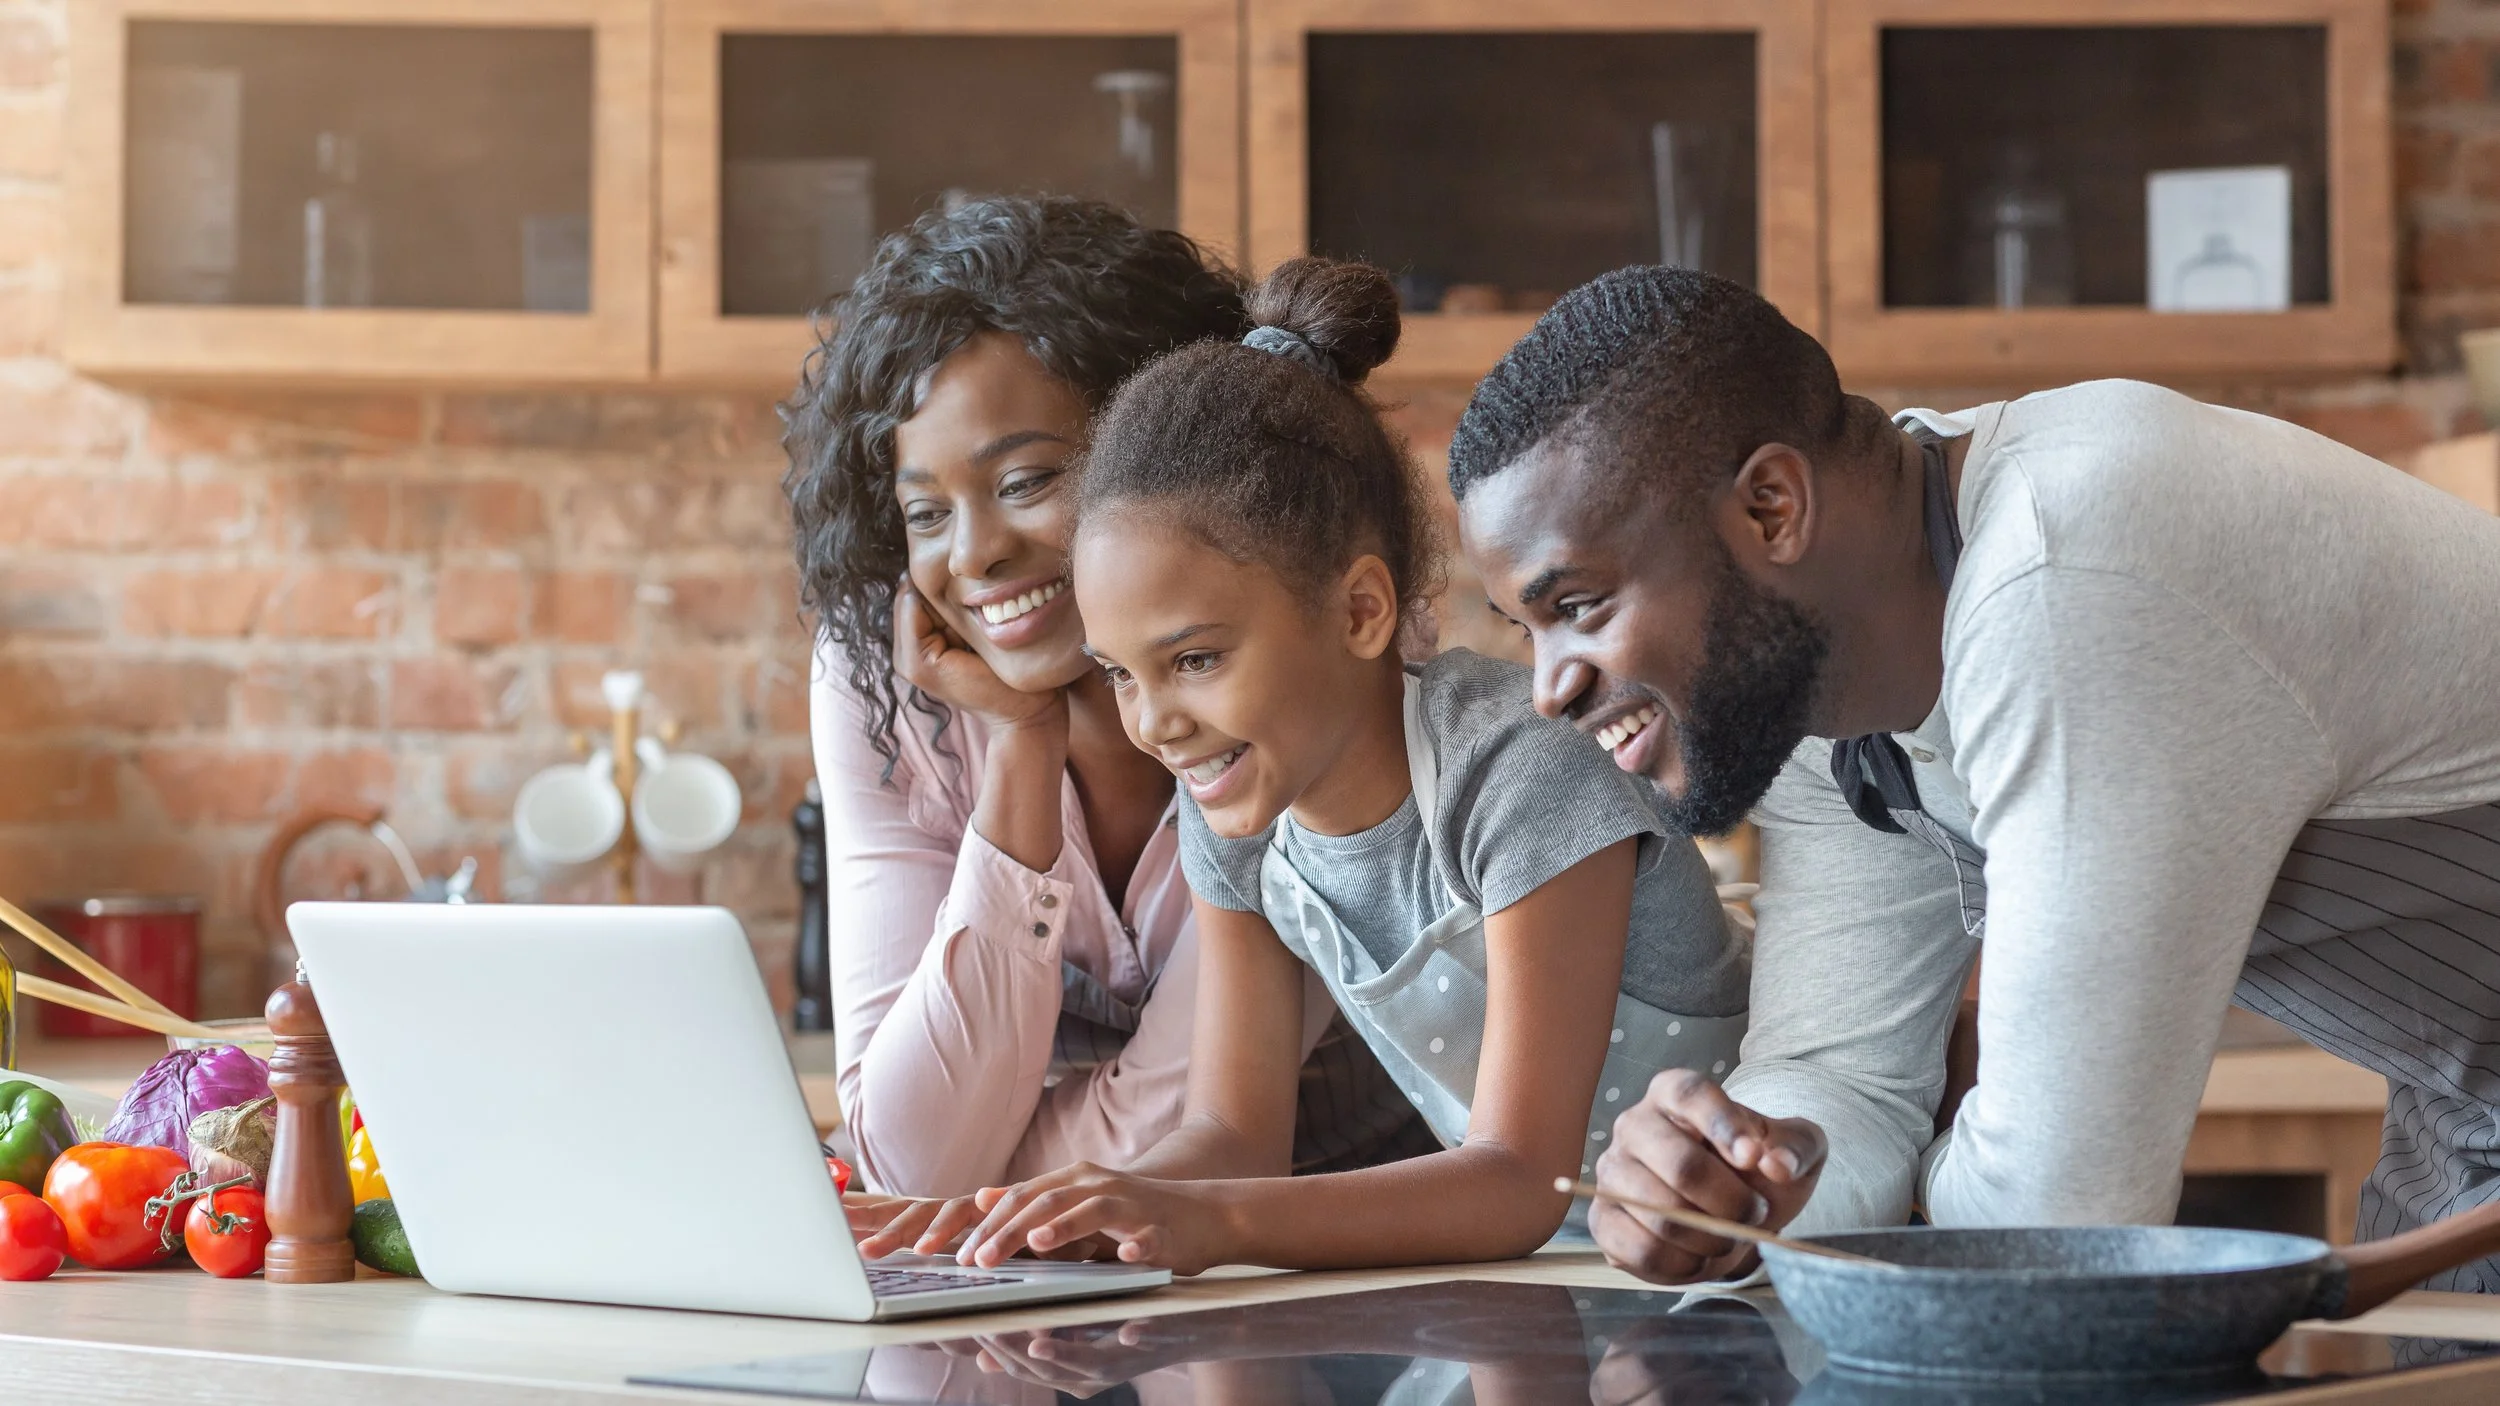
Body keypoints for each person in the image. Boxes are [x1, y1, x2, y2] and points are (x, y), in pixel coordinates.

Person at [1445, 265, 2500, 1288]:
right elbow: (1848, 1077)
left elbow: (2059, 1216)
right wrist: (1744, 1184)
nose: (1547, 688)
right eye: (1524, 627)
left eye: (1576, 603)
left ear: (1770, 507)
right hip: (2463, 1118)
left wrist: (1932, 1162)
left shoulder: (2070, 581)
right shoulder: (1823, 677)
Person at [880, 257, 1748, 1274]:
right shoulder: (1236, 813)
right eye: (1120, 671)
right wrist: (1062, 1214)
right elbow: (1233, 1135)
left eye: (1195, 658)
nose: (1155, 722)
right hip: (1563, 1276)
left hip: (1751, 1258)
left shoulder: (1518, 772)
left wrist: (1216, 1222)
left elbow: (1517, 1175)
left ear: (1361, 611)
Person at [787, 197, 1432, 1202]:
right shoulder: (892, 680)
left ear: (1170, 448)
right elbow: (905, 1159)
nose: (973, 553)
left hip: (1358, 1264)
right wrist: (1020, 749)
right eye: (925, 511)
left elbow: (1174, 1127)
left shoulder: (1304, 664)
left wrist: (973, 1171)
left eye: (1029, 478)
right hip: (1089, 1277)